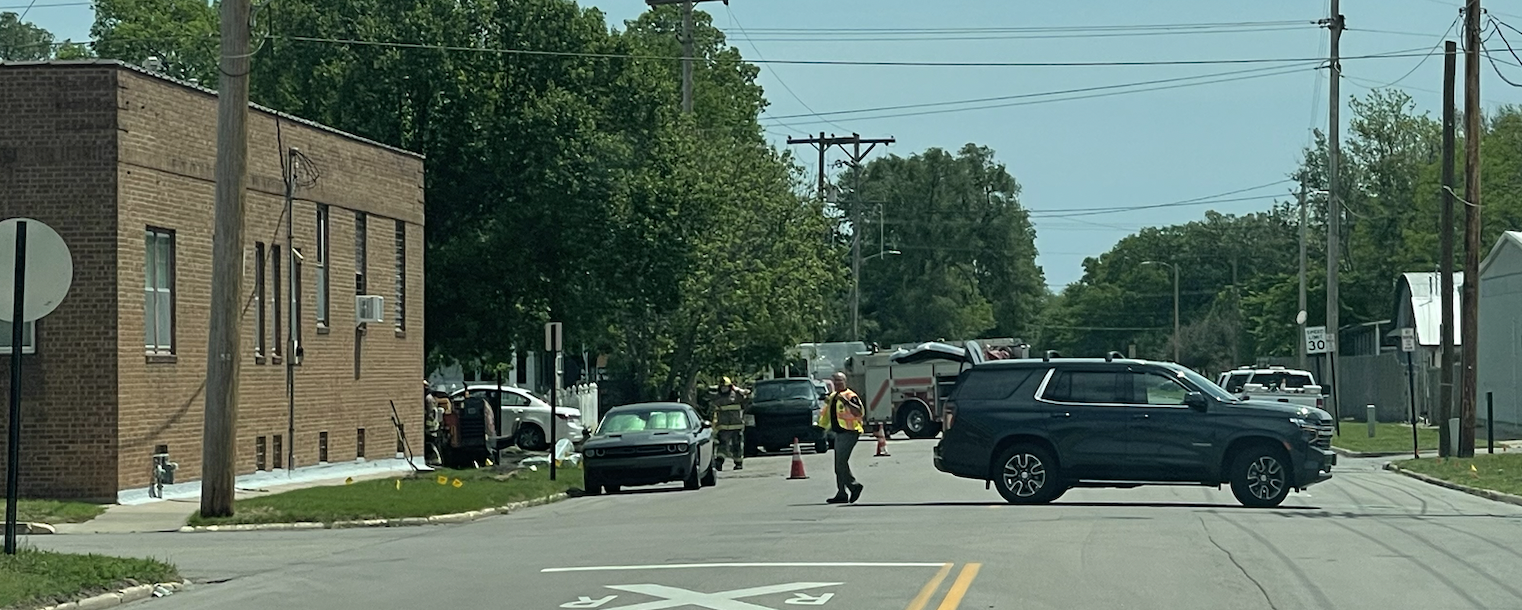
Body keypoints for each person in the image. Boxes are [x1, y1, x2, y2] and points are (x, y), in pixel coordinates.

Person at [817, 371, 865, 504]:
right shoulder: (834, 396)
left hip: (850, 432)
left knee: (841, 464)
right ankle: (841, 493)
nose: (837, 384)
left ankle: (854, 486)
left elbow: (859, 412)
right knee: (838, 464)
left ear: (845, 382)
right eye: (835, 382)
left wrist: (846, 402)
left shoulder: (850, 395)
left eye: (840, 381)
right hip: (838, 433)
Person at [711, 376, 749, 471]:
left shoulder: (737, 395)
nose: (724, 389)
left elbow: (749, 398)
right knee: (722, 446)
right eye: (722, 387)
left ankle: (738, 462)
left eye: (726, 387)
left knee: (737, 445)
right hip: (723, 427)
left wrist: (740, 390)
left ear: (730, 387)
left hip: (736, 426)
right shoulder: (717, 397)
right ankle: (719, 462)